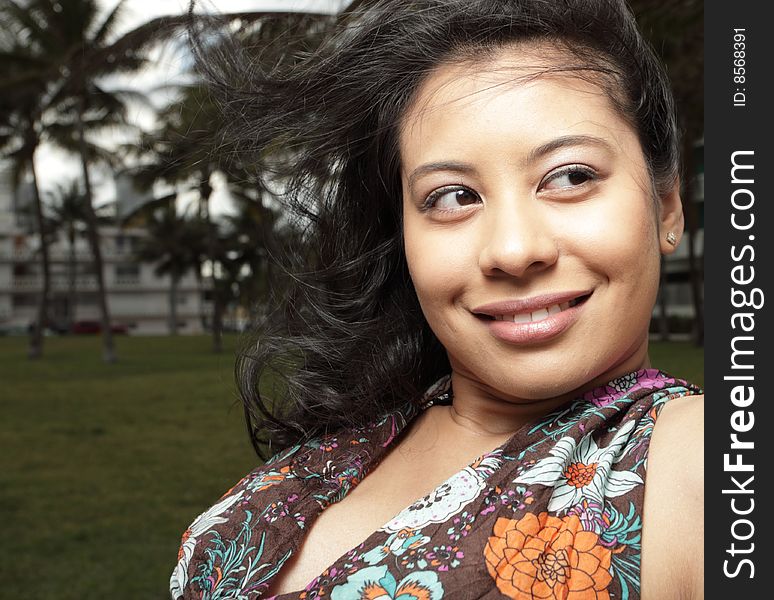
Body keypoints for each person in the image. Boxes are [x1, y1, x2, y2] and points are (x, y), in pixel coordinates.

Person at [171, 0, 704, 598]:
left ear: (667, 205)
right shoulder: (350, 441)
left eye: (571, 176)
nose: (512, 249)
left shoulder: (704, 462)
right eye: (452, 196)